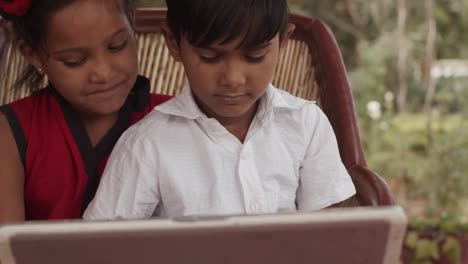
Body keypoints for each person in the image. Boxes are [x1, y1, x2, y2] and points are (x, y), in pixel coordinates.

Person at [84, 0, 356, 220]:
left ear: (283, 41)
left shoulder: (305, 125)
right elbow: (103, 245)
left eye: (255, 56)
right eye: (210, 57)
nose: (233, 78)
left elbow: (327, 234)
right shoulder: (146, 144)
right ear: (173, 42)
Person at [0, 0, 171, 222]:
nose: (103, 73)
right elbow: (6, 248)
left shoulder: (178, 119)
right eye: (75, 61)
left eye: (117, 46)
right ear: (33, 55)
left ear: (132, 21)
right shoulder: (10, 133)